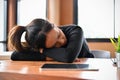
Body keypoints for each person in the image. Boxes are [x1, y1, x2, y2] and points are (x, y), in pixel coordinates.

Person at [8, 18, 94, 63]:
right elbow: (15, 55)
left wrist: (43, 51)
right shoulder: (39, 40)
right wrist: (51, 56)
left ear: (55, 26)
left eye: (59, 35)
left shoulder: (75, 30)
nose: (61, 41)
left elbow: (68, 57)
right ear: (41, 46)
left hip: (90, 67)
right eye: (54, 45)